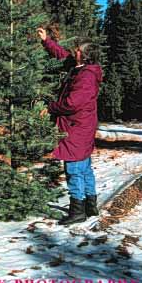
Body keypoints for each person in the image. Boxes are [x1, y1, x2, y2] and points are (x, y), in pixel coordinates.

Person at [37, 27, 103, 226]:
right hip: (82, 126)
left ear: (84, 54)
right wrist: (46, 40)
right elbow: (62, 55)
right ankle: (90, 206)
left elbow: (72, 103)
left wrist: (51, 108)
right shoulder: (81, 68)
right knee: (84, 167)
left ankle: (77, 211)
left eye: (78, 50)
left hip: (76, 128)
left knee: (74, 168)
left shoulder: (86, 76)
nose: (74, 51)